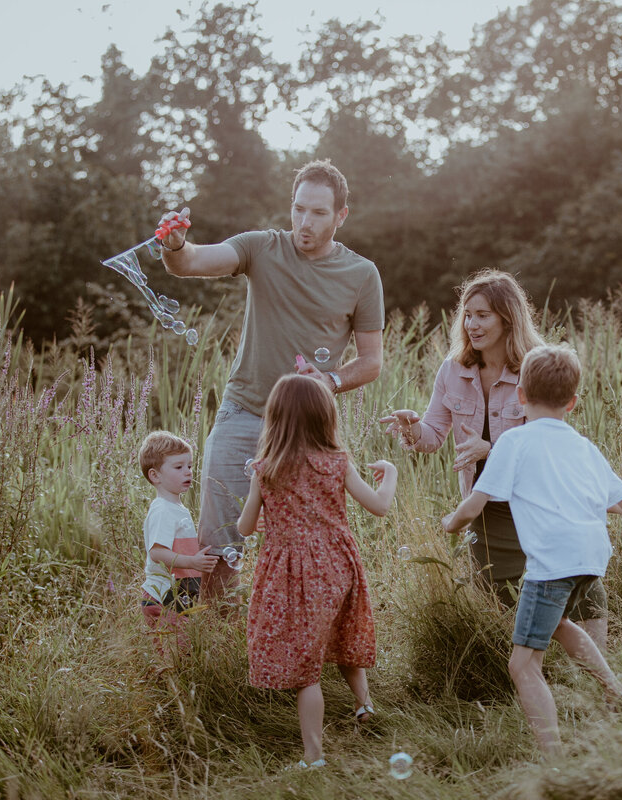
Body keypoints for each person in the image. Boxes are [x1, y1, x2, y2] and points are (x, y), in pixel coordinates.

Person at [157, 159, 385, 601]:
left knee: (311, 546)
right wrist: (176, 244)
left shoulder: (361, 275)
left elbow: (372, 361)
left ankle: (297, 643)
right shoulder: (261, 247)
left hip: (308, 431)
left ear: (341, 216)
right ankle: (217, 649)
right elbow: (191, 262)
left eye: (319, 213)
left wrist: (331, 380)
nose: (304, 221)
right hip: (242, 412)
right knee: (218, 543)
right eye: (299, 208)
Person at [380, 270, 611, 649]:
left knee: (572, 584)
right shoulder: (453, 371)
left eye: (482, 315)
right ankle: (520, 674)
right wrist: (412, 427)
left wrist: (491, 450)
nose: (471, 324)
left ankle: (595, 677)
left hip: (537, 500)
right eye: (467, 315)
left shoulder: (535, 368)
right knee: (499, 598)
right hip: (484, 503)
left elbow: (549, 442)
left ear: (508, 319)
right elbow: (433, 437)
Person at [441, 344, 622, 756]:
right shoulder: (584, 446)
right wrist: (574, 497)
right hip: (591, 561)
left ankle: (552, 759)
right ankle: (618, 694)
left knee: (522, 665)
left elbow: (474, 505)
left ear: (520, 396)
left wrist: (449, 524)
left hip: (551, 564)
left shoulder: (513, 443)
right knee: (559, 623)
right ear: (573, 402)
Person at [237, 374, 398, 769]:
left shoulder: (265, 469)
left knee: (306, 668)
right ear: (325, 417)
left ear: (274, 419)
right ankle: (365, 707)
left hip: (290, 575)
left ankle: (314, 757)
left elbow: (243, 527)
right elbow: (378, 506)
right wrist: (390, 472)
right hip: (337, 568)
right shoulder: (336, 463)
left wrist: (269, 518)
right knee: (341, 634)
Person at [137, 431, 219, 653]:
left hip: (178, 593)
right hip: (164, 595)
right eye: (178, 467)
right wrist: (192, 562)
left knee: (181, 650)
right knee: (173, 654)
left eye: (190, 466)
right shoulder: (162, 510)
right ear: (155, 476)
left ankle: (174, 685)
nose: (188, 472)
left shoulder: (176, 508)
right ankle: (168, 687)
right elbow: (157, 553)